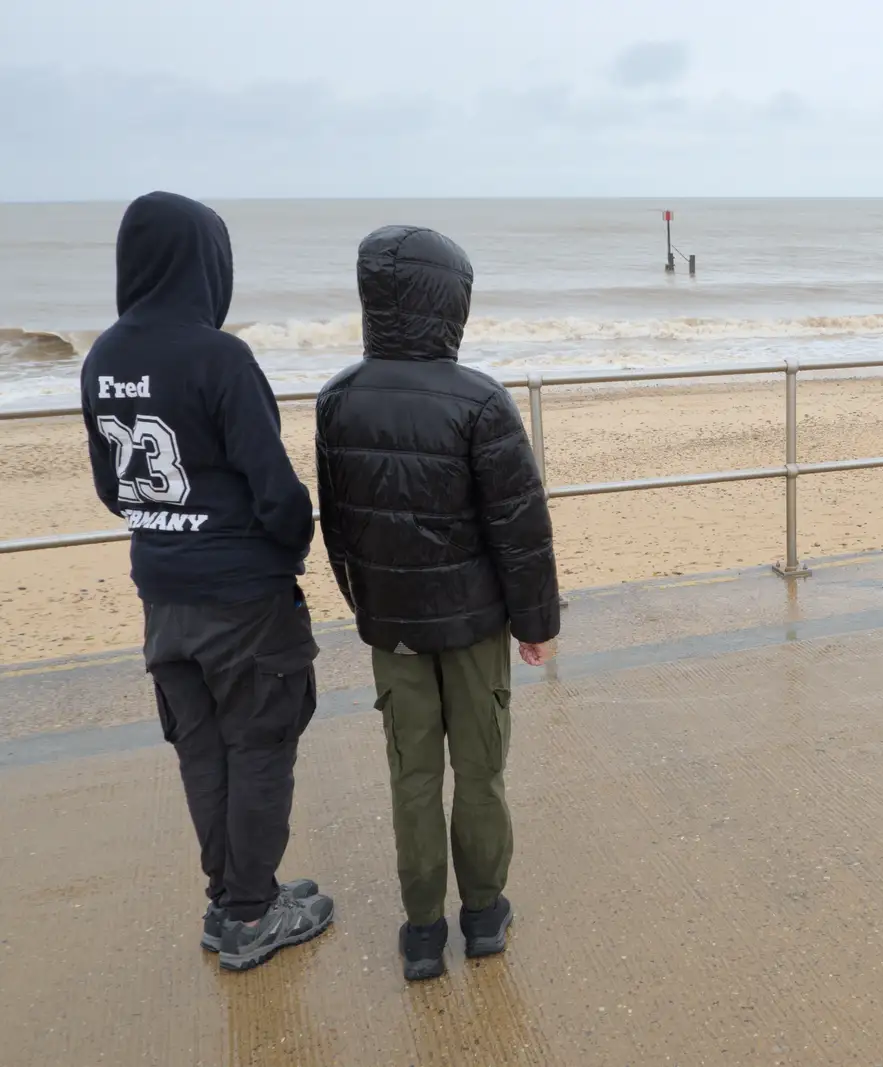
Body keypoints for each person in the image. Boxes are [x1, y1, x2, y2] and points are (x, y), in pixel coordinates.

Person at [80, 192, 334, 973]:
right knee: (259, 745)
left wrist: (170, 525)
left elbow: (110, 487)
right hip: (243, 595)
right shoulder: (219, 357)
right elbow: (278, 492)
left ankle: (230, 898)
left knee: (201, 749)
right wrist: (291, 543)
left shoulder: (103, 358)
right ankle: (254, 914)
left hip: (162, 592)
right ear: (206, 264)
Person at [315, 225, 560, 982]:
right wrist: (536, 623)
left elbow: (339, 525)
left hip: (395, 631)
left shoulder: (339, 399)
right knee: (480, 773)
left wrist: (365, 604)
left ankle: (423, 932)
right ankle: (483, 916)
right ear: (448, 303)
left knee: (412, 777)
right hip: (476, 623)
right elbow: (519, 527)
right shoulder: (479, 400)